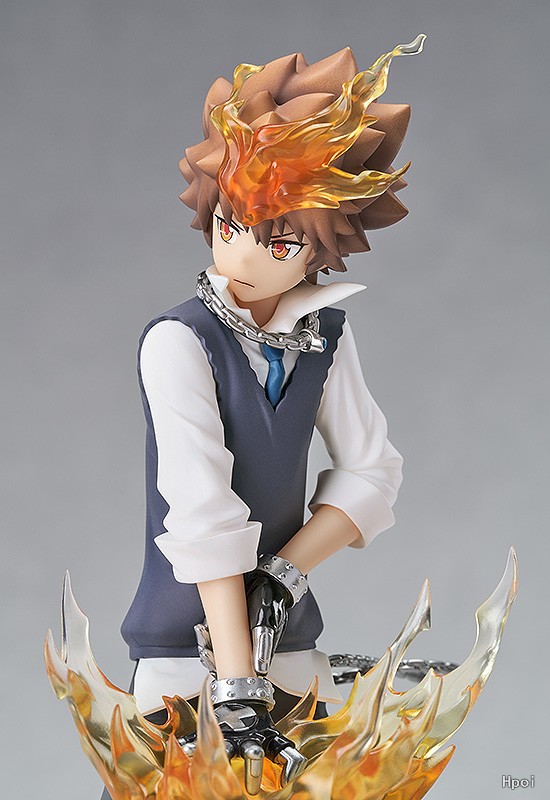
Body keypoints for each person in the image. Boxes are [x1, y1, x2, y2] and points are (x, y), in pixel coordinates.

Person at [101, 37, 424, 798]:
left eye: (278, 240)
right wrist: (238, 686)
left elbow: (372, 470)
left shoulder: (325, 335)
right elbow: (202, 511)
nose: (244, 258)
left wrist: (283, 578)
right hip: (183, 652)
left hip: (292, 646)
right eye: (230, 225)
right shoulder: (179, 342)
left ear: (321, 248)